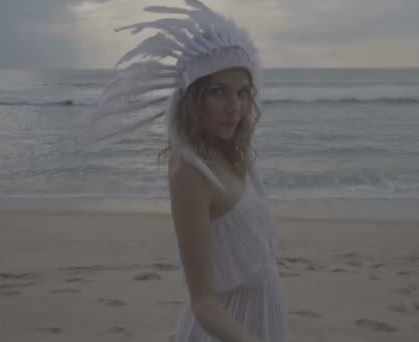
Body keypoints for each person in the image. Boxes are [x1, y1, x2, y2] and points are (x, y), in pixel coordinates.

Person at [90, 1, 289, 341]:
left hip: (264, 309)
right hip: (230, 328)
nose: (235, 107)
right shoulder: (190, 173)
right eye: (218, 92)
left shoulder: (234, 154)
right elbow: (203, 301)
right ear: (193, 98)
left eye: (242, 93)